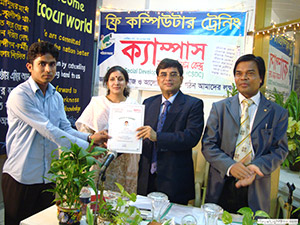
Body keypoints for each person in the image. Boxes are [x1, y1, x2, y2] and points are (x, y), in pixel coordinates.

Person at [2, 41, 108, 225]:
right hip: (22, 176)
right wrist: (87, 149)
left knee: (45, 222)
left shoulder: (56, 96)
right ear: (30, 67)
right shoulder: (20, 95)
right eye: (42, 64)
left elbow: (65, 128)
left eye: (52, 64)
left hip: (48, 177)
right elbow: (48, 130)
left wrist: (90, 138)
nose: (48, 69)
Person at [201, 54, 289, 213]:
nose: (243, 78)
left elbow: (280, 150)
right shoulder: (220, 108)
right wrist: (230, 166)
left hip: (256, 183)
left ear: (261, 78)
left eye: (250, 73)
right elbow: (208, 145)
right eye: (239, 73)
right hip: (222, 182)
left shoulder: (277, 113)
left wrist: (257, 166)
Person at [136, 58, 204, 204]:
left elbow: (190, 137)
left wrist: (157, 136)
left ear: (181, 78)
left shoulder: (193, 104)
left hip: (174, 179)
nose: (168, 78)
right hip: (146, 178)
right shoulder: (148, 103)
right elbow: (138, 134)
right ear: (158, 79)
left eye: (173, 74)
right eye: (163, 74)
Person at [76, 66, 139, 194]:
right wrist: (94, 142)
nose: (116, 82)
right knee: (97, 193)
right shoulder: (97, 103)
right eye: (112, 79)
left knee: (121, 196)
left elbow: (138, 133)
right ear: (107, 83)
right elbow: (84, 129)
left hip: (124, 160)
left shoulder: (134, 106)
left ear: (126, 83)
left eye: (120, 79)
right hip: (99, 155)